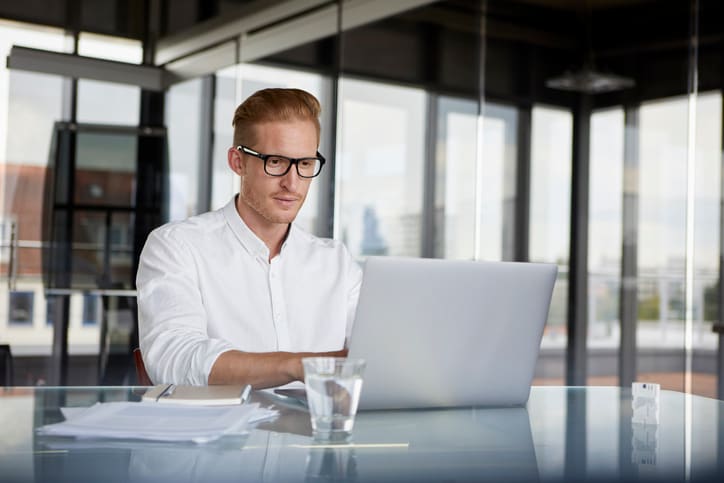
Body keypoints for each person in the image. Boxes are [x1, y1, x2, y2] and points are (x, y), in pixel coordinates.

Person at [136, 88, 362, 388]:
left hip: (319, 432)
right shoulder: (176, 246)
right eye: (276, 162)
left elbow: (379, 355)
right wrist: (300, 366)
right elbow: (176, 360)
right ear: (238, 162)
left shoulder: (337, 262)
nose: (292, 184)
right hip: (218, 433)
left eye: (305, 164)